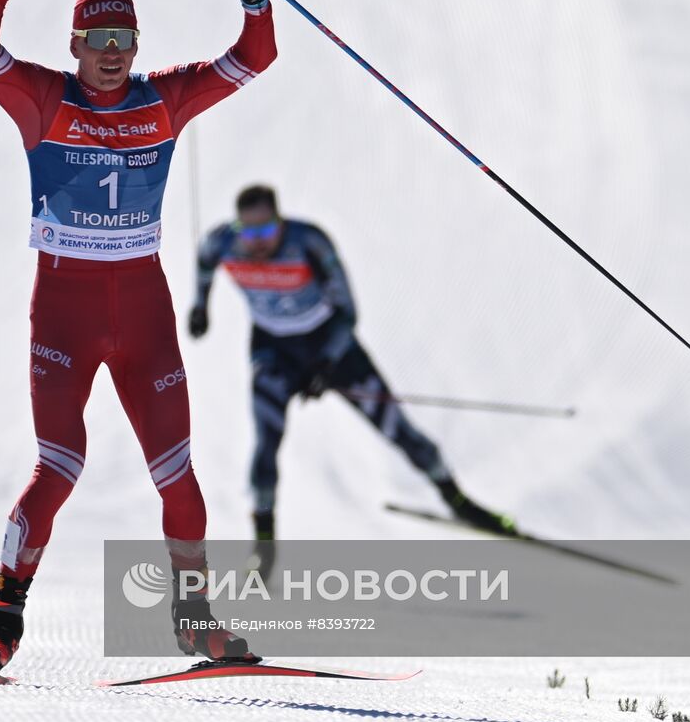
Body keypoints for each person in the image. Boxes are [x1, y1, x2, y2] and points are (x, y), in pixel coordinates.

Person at [0, 0, 278, 672]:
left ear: (137, 45)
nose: (109, 54)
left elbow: (255, 56)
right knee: (58, 465)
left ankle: (195, 622)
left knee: (178, 474)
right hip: (64, 315)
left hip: (143, 316)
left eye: (122, 40)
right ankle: (2, 619)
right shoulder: (43, 100)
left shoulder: (162, 101)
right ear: (74, 45)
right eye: (96, 40)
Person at [190, 184, 515, 577]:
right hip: (273, 349)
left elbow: (347, 312)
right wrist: (200, 307)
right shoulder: (222, 242)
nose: (256, 243)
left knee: (398, 429)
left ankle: (459, 501)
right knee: (265, 446)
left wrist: (326, 365)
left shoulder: (308, 241)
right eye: (248, 233)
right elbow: (205, 262)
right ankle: (264, 544)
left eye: (265, 232)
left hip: (331, 344)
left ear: (281, 221)